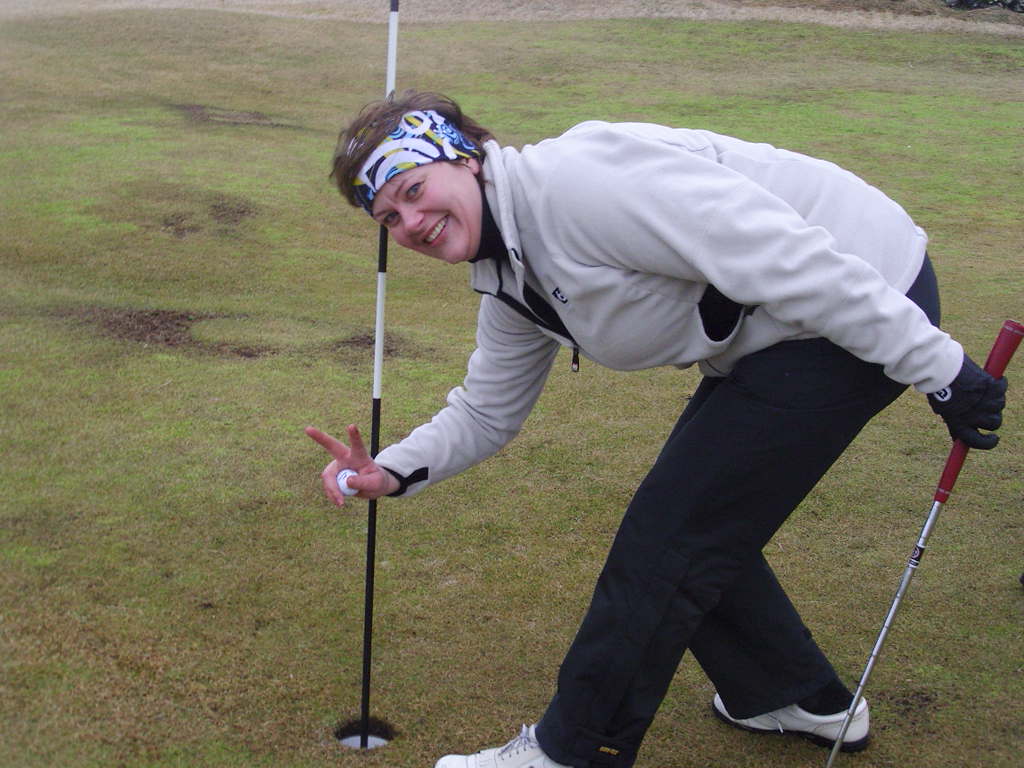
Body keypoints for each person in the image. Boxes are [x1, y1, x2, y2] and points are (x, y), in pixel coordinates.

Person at [305, 91, 1007, 768]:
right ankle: (793, 698)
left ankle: (574, 752)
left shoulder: (578, 186)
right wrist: (390, 470)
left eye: (414, 189)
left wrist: (943, 369)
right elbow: (486, 410)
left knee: (671, 539)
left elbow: (788, 258)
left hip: (858, 295)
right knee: (692, 523)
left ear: (465, 157)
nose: (411, 222)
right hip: (778, 333)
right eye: (388, 216)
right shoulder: (508, 270)